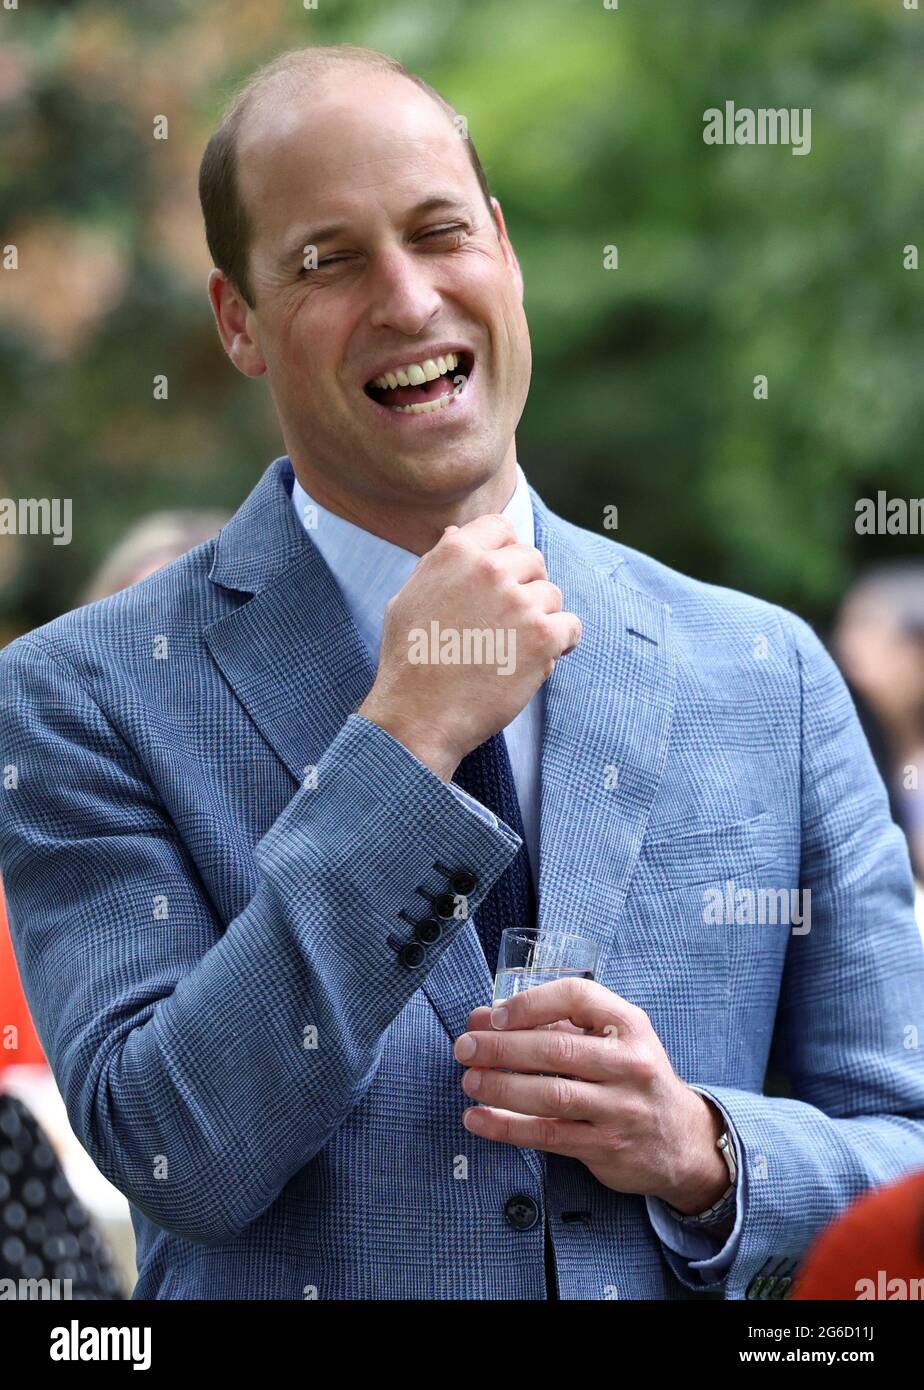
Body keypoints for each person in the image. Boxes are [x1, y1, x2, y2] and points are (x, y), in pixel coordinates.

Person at [0, 43, 922, 1302]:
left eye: (440, 233)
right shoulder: (74, 700)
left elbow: (903, 1154)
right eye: (328, 260)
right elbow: (176, 1151)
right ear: (237, 322)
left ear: (506, 249)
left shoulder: (770, 671)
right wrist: (401, 744)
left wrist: (705, 1151)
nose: (408, 297)